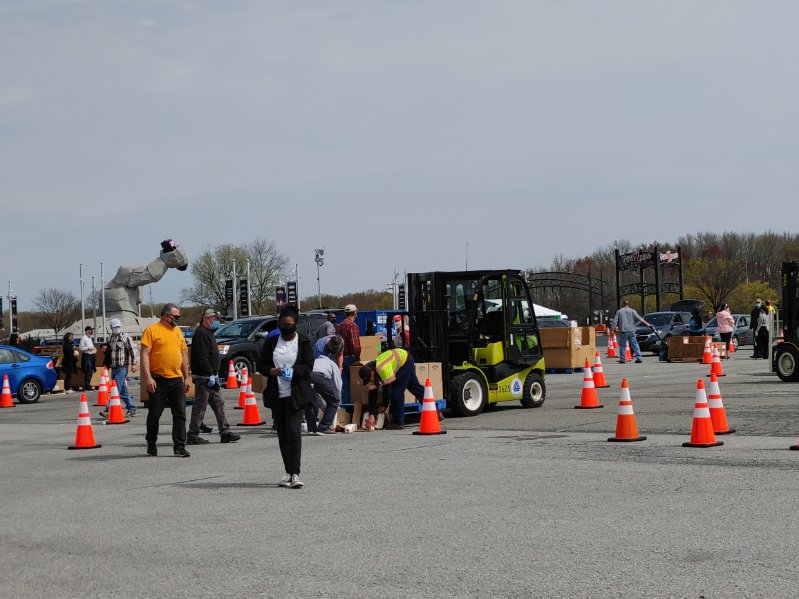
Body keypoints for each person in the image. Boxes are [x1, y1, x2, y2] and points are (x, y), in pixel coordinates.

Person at [257, 305, 314, 489]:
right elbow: (262, 365)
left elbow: (308, 366)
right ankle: (287, 472)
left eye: (289, 324)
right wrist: (272, 371)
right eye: (282, 324)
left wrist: (294, 371)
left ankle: (295, 473)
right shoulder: (272, 341)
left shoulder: (303, 342)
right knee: (282, 434)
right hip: (277, 394)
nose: (285, 327)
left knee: (293, 430)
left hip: (296, 394)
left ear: (295, 324)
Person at [140, 303, 192, 458]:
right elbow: (144, 355)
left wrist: (187, 377)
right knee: (155, 414)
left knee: (180, 414)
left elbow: (183, 355)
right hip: (158, 379)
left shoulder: (177, 332)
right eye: (175, 317)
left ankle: (179, 446)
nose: (177, 319)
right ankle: (151, 443)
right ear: (165, 316)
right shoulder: (152, 331)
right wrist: (148, 377)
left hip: (176, 379)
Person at [187, 309, 241, 445]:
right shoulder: (201, 333)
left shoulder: (208, 333)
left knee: (219, 403)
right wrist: (209, 374)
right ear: (207, 318)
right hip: (204, 377)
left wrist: (214, 374)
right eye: (215, 319)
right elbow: (202, 356)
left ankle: (225, 432)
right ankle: (192, 435)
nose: (217, 321)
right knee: (200, 406)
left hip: (211, 376)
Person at [102, 318, 138, 418]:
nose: (117, 329)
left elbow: (132, 351)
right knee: (122, 389)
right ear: (111, 328)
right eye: (115, 327)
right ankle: (132, 408)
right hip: (114, 367)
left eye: (118, 327)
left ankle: (108, 409)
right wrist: (104, 349)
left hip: (122, 367)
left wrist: (133, 364)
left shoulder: (126, 337)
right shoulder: (110, 339)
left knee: (115, 388)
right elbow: (108, 351)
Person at [310, 335, 344, 434]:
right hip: (320, 377)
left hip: (307, 376)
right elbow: (338, 383)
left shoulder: (317, 360)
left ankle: (312, 428)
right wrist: (338, 399)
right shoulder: (320, 349)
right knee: (334, 401)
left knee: (311, 401)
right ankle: (323, 427)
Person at [336, 304, 361, 403]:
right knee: (357, 384)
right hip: (351, 358)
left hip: (341, 358)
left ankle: (346, 408)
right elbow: (356, 345)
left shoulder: (339, 326)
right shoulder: (352, 325)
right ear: (354, 313)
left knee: (345, 385)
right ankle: (356, 406)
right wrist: (358, 358)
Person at [79, 326, 97, 391]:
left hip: (91, 356)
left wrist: (94, 349)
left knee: (91, 370)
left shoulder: (90, 338)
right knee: (88, 371)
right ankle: (87, 387)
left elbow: (92, 346)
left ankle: (88, 385)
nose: (91, 331)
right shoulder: (84, 338)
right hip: (86, 356)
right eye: (90, 330)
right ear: (87, 331)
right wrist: (88, 348)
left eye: (92, 330)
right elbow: (81, 348)